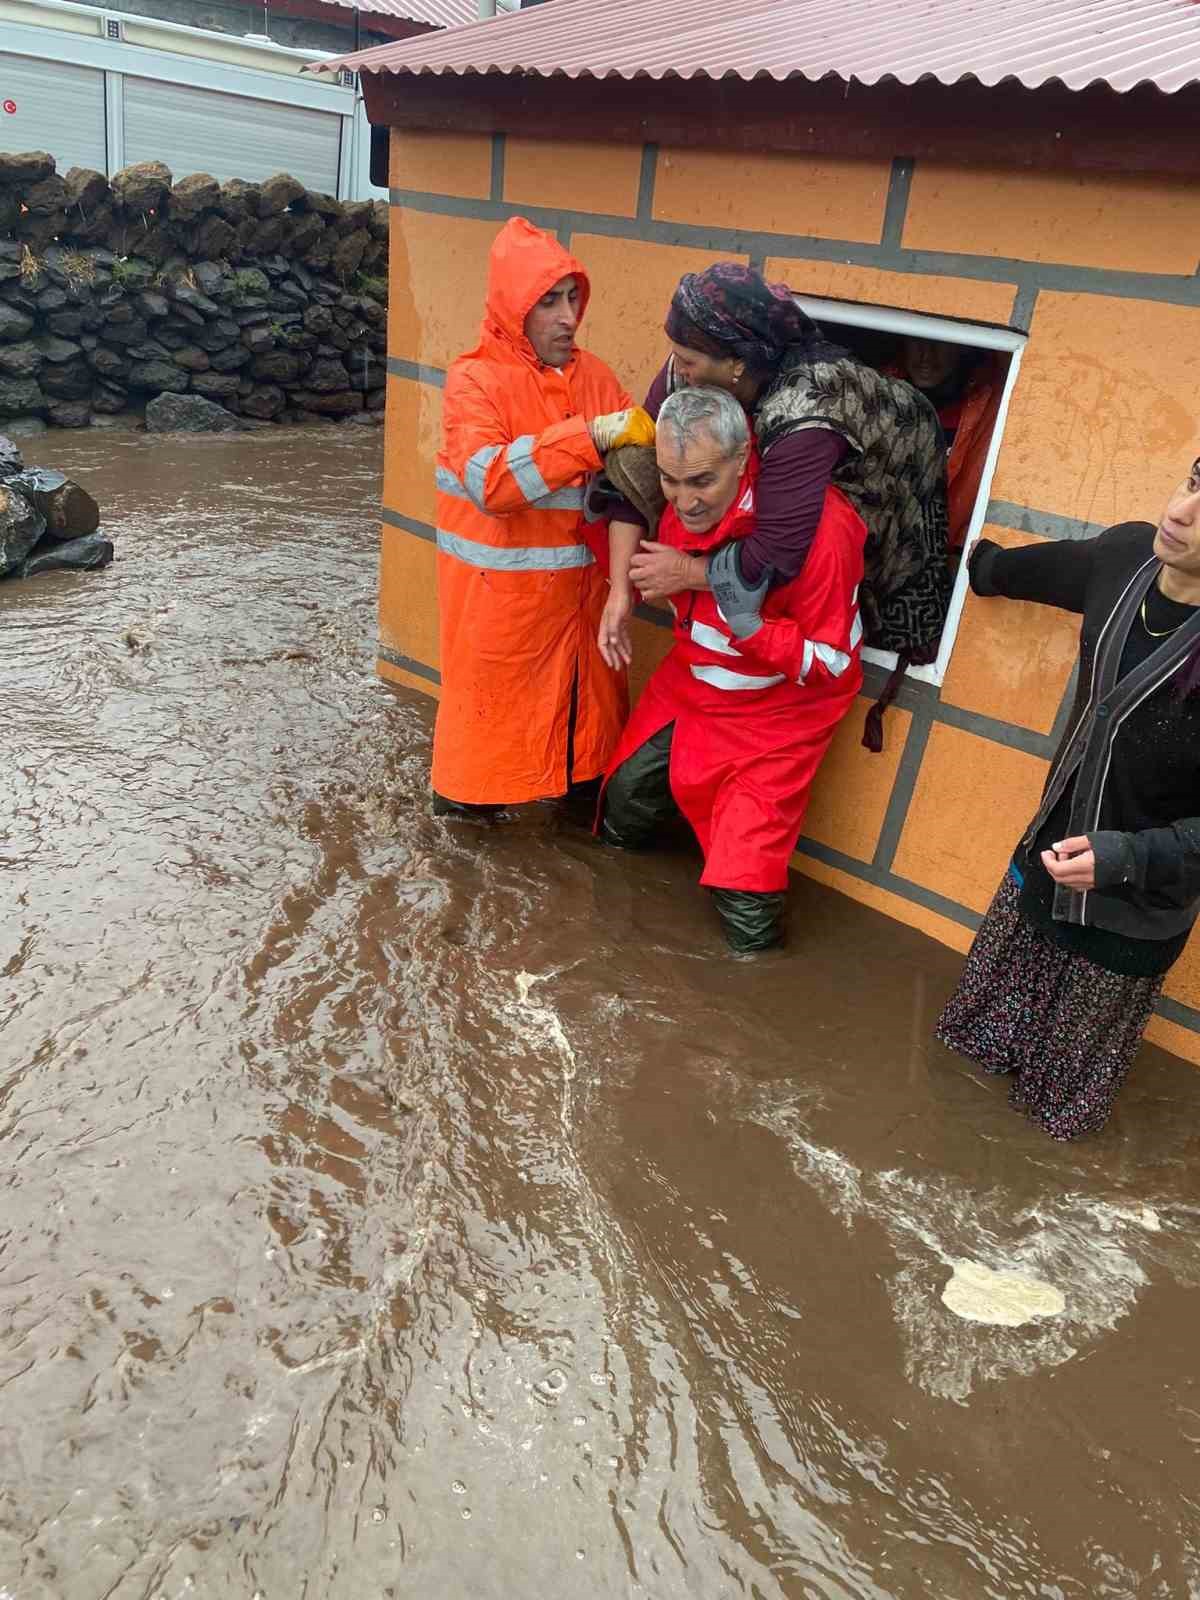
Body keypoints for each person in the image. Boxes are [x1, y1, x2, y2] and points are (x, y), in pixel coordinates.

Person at [937, 456, 1200, 1139]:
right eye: (1195, 483)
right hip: (1040, 871)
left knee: (1053, 1116)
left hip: (1132, 916)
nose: (1180, 513)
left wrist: (1126, 857)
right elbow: (1028, 571)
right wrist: (978, 564)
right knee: (966, 1065)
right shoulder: (1121, 561)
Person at [596, 263, 948, 750]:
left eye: (689, 359)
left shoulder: (804, 409)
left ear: (735, 363)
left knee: (876, 580)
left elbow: (779, 554)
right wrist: (619, 592)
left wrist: (687, 570)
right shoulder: (693, 372)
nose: (678, 369)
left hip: (894, 466)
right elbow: (634, 468)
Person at [600, 386, 867, 952]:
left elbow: (834, 664)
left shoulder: (823, 530)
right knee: (620, 808)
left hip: (778, 715)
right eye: (671, 481)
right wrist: (617, 592)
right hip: (691, 683)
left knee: (747, 908)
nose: (684, 502)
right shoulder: (672, 498)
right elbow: (620, 503)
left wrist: (750, 626)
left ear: (744, 460)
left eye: (702, 482)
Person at [431, 216, 654, 817]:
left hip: (584, 623)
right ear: (512, 308)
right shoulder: (474, 380)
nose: (567, 316)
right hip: (502, 625)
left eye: (573, 297)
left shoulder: (598, 378)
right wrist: (592, 435)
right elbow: (490, 483)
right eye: (548, 301)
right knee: (471, 798)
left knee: (583, 774)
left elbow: (637, 488)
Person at [890, 336, 1005, 553]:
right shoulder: (880, 393)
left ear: (960, 347)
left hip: (935, 555)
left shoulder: (982, 406)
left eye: (939, 344)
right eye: (916, 342)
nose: (926, 356)